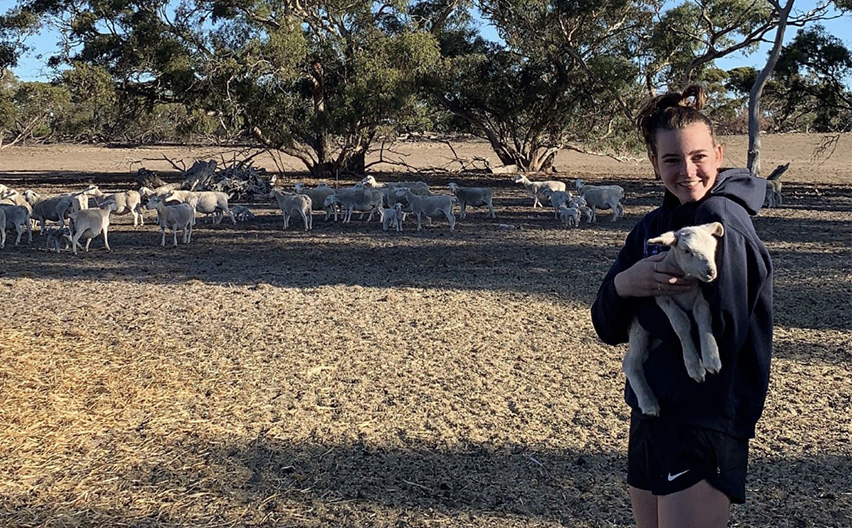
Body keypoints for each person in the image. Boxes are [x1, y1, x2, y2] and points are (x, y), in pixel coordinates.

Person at [591, 85, 773, 528]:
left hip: (704, 414)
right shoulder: (651, 227)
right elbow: (605, 324)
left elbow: (727, 328)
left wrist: (645, 300)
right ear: (654, 164)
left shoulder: (723, 223)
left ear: (718, 152)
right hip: (651, 409)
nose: (687, 171)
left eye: (698, 158)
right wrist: (625, 284)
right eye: (671, 160)